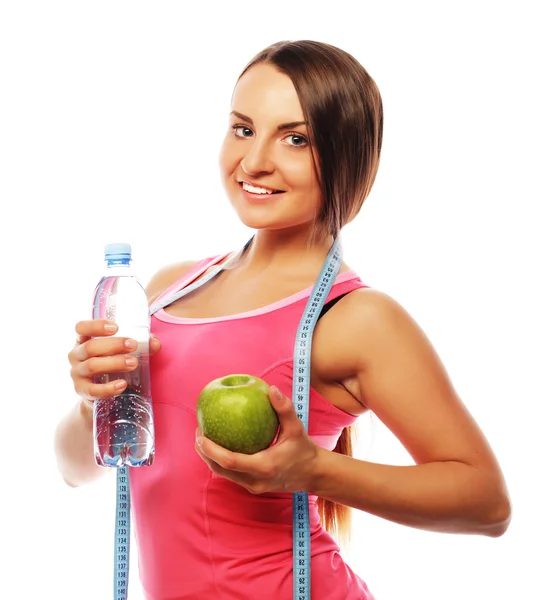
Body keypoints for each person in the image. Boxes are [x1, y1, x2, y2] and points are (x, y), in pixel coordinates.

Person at [56, 40, 512, 600]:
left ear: (345, 157)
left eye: (295, 139)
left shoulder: (357, 318)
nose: (254, 162)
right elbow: (78, 471)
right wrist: (96, 402)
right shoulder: (165, 290)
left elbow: (486, 503)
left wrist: (314, 471)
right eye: (243, 128)